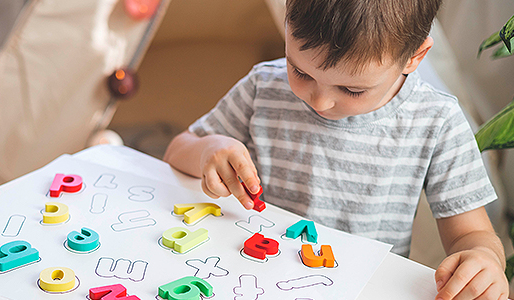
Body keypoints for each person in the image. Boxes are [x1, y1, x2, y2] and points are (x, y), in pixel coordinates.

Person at [163, 0, 508, 299]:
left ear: (414, 57)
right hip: (253, 273)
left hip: (360, 289)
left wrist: (483, 259)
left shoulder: (437, 120)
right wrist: (210, 148)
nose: (321, 100)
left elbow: (471, 234)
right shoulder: (262, 87)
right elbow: (179, 150)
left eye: (352, 90)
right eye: (300, 71)